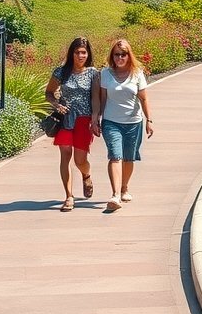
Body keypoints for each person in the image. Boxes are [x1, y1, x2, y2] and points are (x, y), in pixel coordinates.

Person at [90, 39, 152, 212]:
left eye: (123, 54)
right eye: (117, 54)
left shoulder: (137, 74)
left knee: (129, 157)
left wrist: (149, 120)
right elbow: (102, 99)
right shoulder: (106, 74)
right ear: (112, 56)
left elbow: (144, 98)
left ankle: (125, 188)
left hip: (134, 122)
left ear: (128, 55)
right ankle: (115, 195)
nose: (120, 58)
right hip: (111, 122)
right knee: (115, 155)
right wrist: (96, 118)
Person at [44, 37, 99, 212]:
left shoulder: (93, 73)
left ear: (88, 54)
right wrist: (56, 104)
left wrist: (96, 117)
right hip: (66, 118)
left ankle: (86, 174)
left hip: (84, 119)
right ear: (72, 53)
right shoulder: (61, 72)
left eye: (84, 52)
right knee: (65, 156)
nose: (81, 55)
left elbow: (96, 98)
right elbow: (49, 93)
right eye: (77, 52)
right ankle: (68, 196)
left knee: (80, 160)